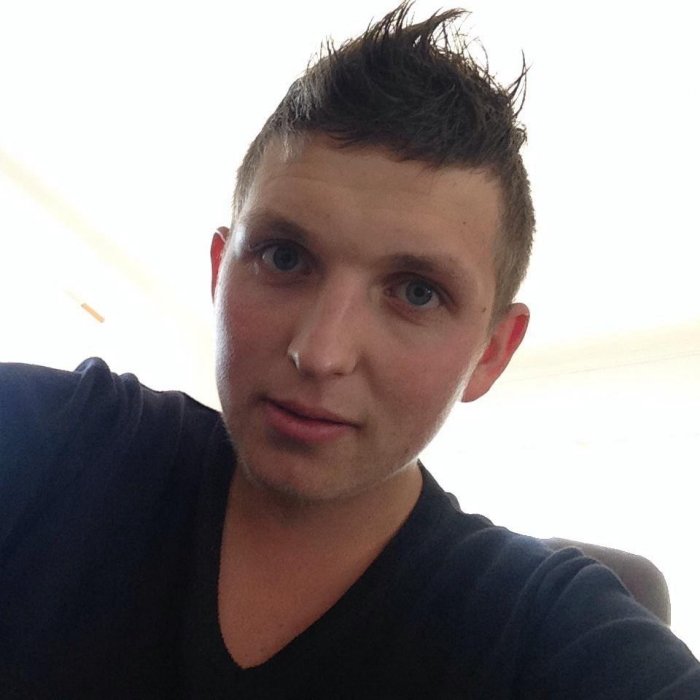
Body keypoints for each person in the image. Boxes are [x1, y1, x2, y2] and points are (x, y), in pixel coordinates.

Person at [1, 3, 698, 698]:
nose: (321, 353)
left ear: (492, 353)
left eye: (417, 292)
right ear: (219, 274)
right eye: (283, 256)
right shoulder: (64, 444)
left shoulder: (545, 630)